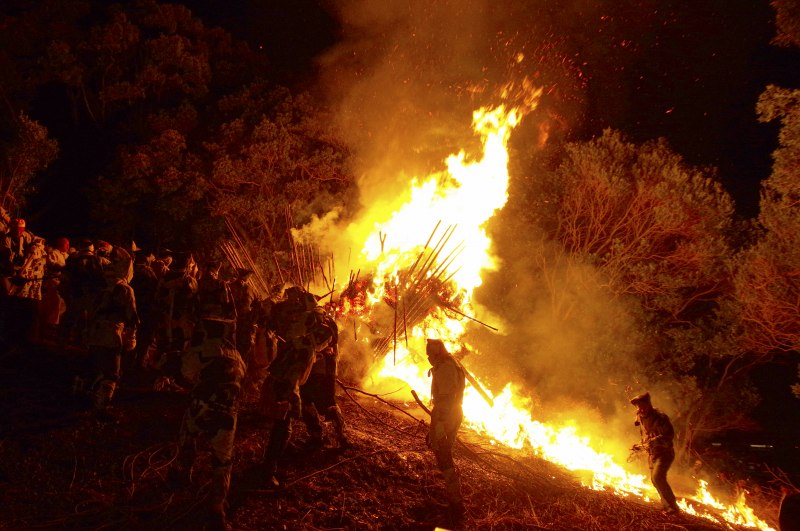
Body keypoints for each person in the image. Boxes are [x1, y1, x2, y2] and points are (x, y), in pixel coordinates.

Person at [166, 257, 245, 531]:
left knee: (188, 437)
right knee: (223, 459)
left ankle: (181, 473)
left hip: (202, 406)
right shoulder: (236, 355)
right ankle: (217, 506)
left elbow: (187, 376)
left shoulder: (198, 351)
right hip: (228, 414)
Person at [260, 286, 334, 487]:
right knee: (282, 430)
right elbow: (292, 379)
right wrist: (293, 401)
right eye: (325, 343)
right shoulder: (306, 350)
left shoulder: (298, 342)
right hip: (282, 389)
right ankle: (268, 472)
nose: (326, 346)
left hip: (276, 385)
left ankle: (270, 465)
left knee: (282, 428)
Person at [81, 247, 138, 421]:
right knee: (112, 372)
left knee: (96, 365)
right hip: (111, 333)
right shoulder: (125, 290)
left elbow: (88, 310)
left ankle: (85, 395)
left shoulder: (102, 288)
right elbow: (131, 316)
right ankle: (102, 407)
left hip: (94, 332)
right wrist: (132, 336)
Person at [425, 338, 466, 525]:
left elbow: (447, 398)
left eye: (430, 354)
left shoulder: (446, 368)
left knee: (444, 456)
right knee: (443, 453)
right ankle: (454, 499)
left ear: (437, 353)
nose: (428, 358)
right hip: (450, 414)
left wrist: (439, 424)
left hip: (448, 414)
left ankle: (455, 504)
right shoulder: (449, 363)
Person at [299, 304, 348, 449]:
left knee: (327, 404)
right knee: (306, 400)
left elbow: (315, 346)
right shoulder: (326, 324)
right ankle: (316, 435)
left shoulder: (326, 329)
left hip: (322, 371)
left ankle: (341, 437)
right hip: (314, 370)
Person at [630, 392, 680, 515]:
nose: (639, 409)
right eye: (637, 406)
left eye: (641, 405)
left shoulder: (661, 417)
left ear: (648, 404)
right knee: (654, 479)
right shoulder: (641, 417)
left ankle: (673, 507)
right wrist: (640, 446)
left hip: (665, 453)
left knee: (658, 477)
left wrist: (654, 441)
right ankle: (666, 506)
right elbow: (647, 437)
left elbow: (669, 436)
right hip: (652, 454)